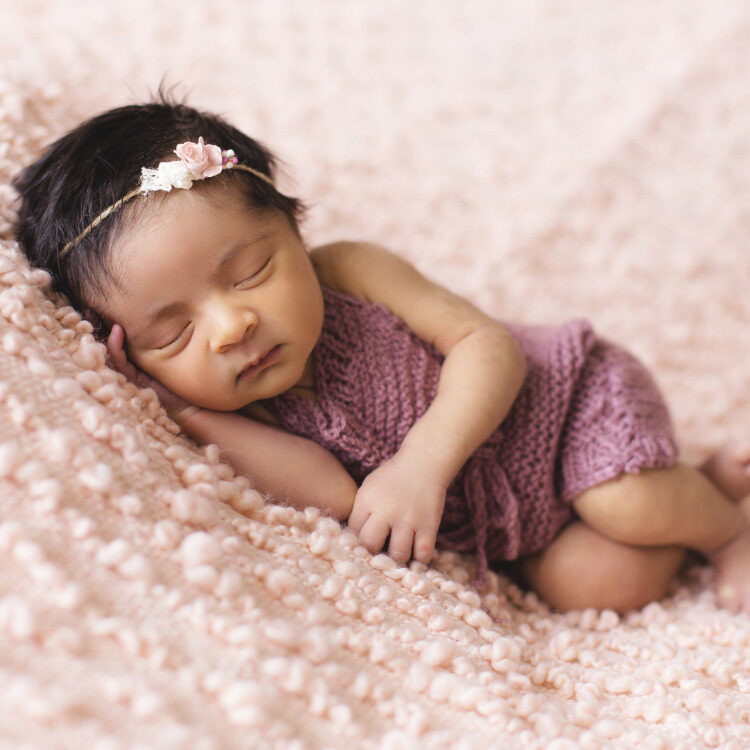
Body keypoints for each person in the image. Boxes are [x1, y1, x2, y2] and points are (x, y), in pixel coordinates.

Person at [12, 96, 750, 615]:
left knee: (622, 499)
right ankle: (698, 482)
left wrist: (422, 465)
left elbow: (486, 344)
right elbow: (335, 496)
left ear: (296, 230)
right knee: (598, 585)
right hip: (528, 524)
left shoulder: (351, 272)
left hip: (572, 403)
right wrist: (182, 409)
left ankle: (727, 530)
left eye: (250, 274)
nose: (232, 325)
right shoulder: (228, 397)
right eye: (171, 333)